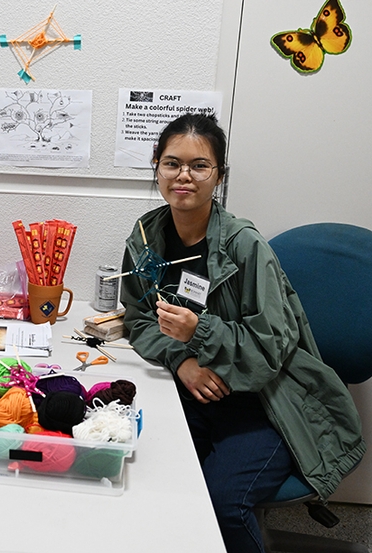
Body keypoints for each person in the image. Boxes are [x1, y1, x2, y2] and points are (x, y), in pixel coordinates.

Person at [120, 113, 364, 553]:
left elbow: (272, 345)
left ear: (219, 175)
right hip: (193, 390)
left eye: (200, 166)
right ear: (156, 165)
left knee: (223, 504)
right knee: (146, 476)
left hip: (265, 401)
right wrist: (183, 361)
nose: (184, 176)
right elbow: (137, 317)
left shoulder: (245, 245)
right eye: (172, 163)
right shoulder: (145, 236)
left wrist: (200, 333)